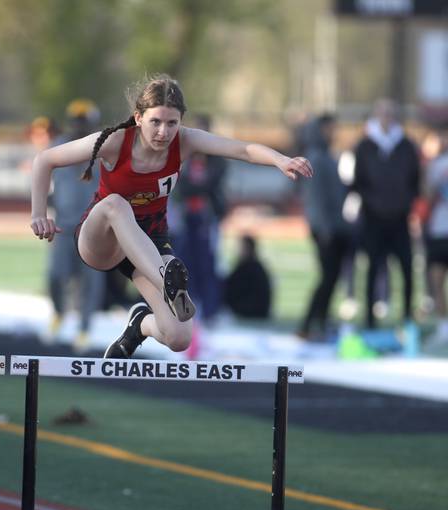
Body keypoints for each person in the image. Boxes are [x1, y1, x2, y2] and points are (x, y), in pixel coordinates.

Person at [30, 74, 312, 358]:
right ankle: (167, 279)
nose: (163, 132)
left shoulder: (186, 141)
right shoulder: (115, 141)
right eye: (155, 122)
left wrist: (281, 160)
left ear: (181, 122)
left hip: (148, 242)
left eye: (172, 123)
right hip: (103, 237)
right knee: (116, 204)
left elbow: (241, 149)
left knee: (179, 336)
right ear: (138, 118)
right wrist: (39, 214)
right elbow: (45, 160)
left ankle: (140, 325)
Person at [352, 98, 420, 328]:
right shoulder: (365, 146)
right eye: (383, 113)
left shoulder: (406, 146)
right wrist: (371, 204)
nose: (387, 118)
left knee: (407, 269)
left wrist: (405, 203)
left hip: (400, 218)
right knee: (373, 269)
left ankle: (408, 318)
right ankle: (370, 320)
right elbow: (357, 182)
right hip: (374, 219)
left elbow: (414, 180)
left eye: (391, 113)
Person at [46, 99, 106, 350]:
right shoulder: (58, 147)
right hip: (63, 225)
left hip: (92, 229)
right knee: (56, 275)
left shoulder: (104, 150)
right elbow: (44, 178)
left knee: (89, 282)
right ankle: (60, 312)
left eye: (84, 122)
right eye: (76, 121)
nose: (79, 126)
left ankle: (84, 328)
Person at [297, 114, 353, 340]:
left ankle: (319, 321)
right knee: (327, 276)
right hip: (325, 230)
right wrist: (325, 228)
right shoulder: (317, 158)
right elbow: (316, 198)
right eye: (329, 129)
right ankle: (310, 323)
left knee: (331, 277)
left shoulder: (327, 156)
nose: (333, 133)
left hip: (333, 228)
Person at [167, 114, 228, 324]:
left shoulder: (217, 159)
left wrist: (198, 188)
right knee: (183, 264)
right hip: (186, 218)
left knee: (208, 264)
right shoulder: (182, 157)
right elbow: (182, 187)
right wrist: (198, 188)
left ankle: (211, 311)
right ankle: (186, 309)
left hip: (206, 218)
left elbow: (211, 184)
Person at [422, 128, 448, 348]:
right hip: (439, 229)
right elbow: (427, 196)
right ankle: (443, 327)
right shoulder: (436, 165)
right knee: (437, 279)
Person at [224, 234, 272, 320]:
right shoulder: (255, 266)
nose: (238, 251)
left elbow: (231, 288)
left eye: (241, 247)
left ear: (248, 249)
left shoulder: (248, 268)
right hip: (257, 311)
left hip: (252, 312)